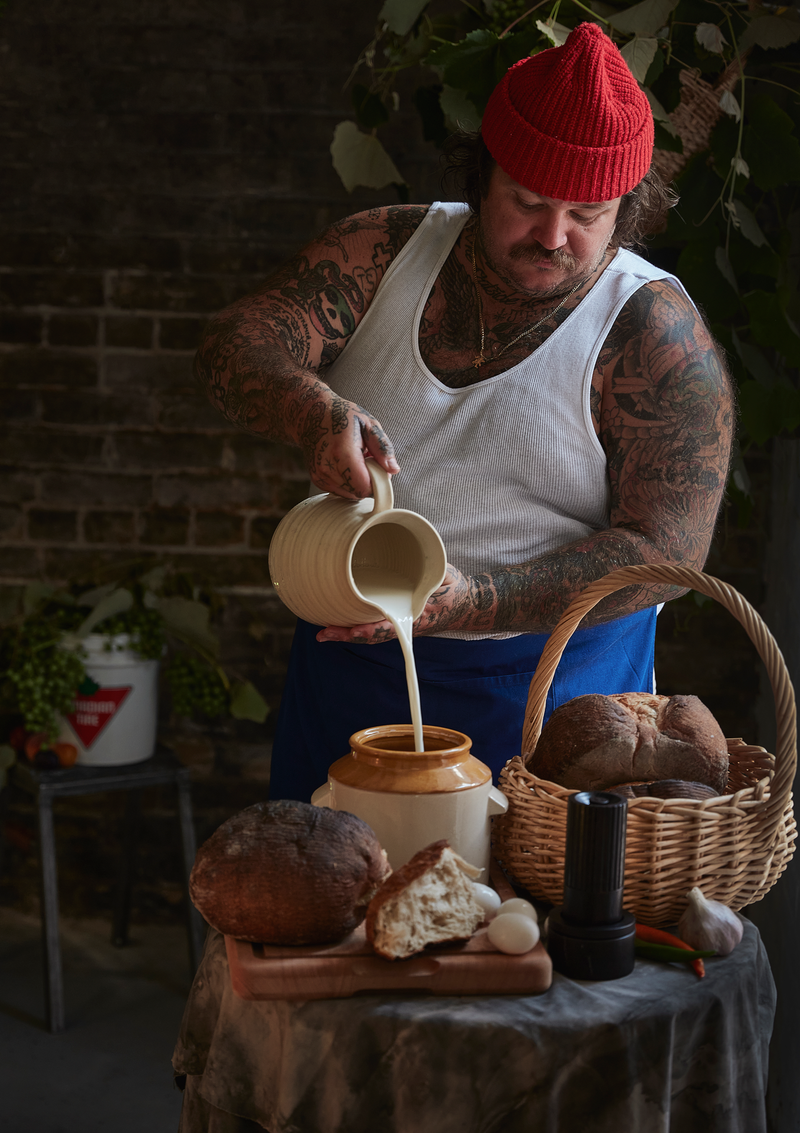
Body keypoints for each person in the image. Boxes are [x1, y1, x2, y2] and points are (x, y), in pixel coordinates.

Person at [195, 22, 734, 801]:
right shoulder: (383, 253)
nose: (553, 235)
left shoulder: (654, 335)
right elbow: (230, 343)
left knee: (530, 920)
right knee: (334, 900)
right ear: (481, 174)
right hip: (357, 664)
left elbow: (666, 551)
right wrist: (310, 411)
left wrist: (474, 601)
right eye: (528, 200)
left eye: (588, 213)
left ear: (630, 203)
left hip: (558, 702)